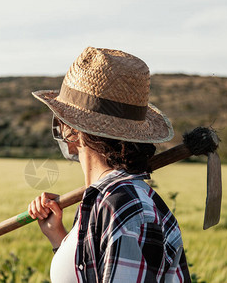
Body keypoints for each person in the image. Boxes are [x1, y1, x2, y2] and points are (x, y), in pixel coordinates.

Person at [28, 47, 191, 282]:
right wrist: (59, 238)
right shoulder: (104, 200)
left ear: (73, 129)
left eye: (60, 118)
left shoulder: (124, 207)